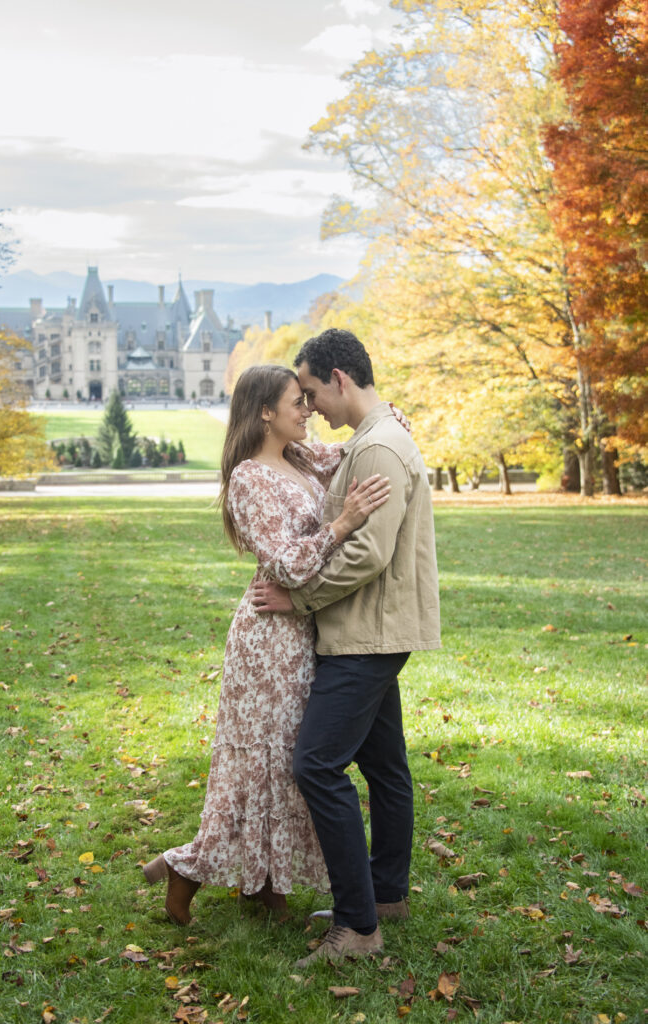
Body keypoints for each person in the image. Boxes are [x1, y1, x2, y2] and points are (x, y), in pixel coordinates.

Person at [141, 363, 391, 924]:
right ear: (264, 412)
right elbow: (283, 563)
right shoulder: (251, 479)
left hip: (304, 632)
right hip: (268, 639)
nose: (308, 409)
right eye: (297, 401)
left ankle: (262, 884)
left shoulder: (302, 457)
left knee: (283, 763)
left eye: (308, 399)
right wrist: (343, 523)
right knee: (264, 761)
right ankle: (190, 868)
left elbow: (352, 449)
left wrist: (384, 413)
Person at [252, 328, 441, 966]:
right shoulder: (372, 438)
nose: (311, 409)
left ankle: (359, 927)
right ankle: (384, 895)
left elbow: (368, 550)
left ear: (338, 379)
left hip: (367, 634)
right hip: (374, 628)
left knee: (316, 765)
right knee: (386, 768)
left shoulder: (381, 446)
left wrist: (299, 599)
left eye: (311, 392)